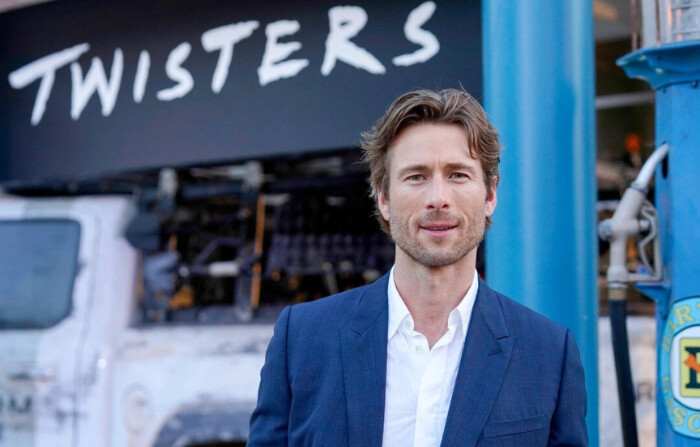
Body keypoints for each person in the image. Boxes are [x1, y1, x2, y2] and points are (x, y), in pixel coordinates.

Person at [248, 89, 587, 446]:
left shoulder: (549, 354)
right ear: (383, 198)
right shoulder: (301, 339)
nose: (437, 198)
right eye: (416, 176)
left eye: (458, 175)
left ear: (490, 195)